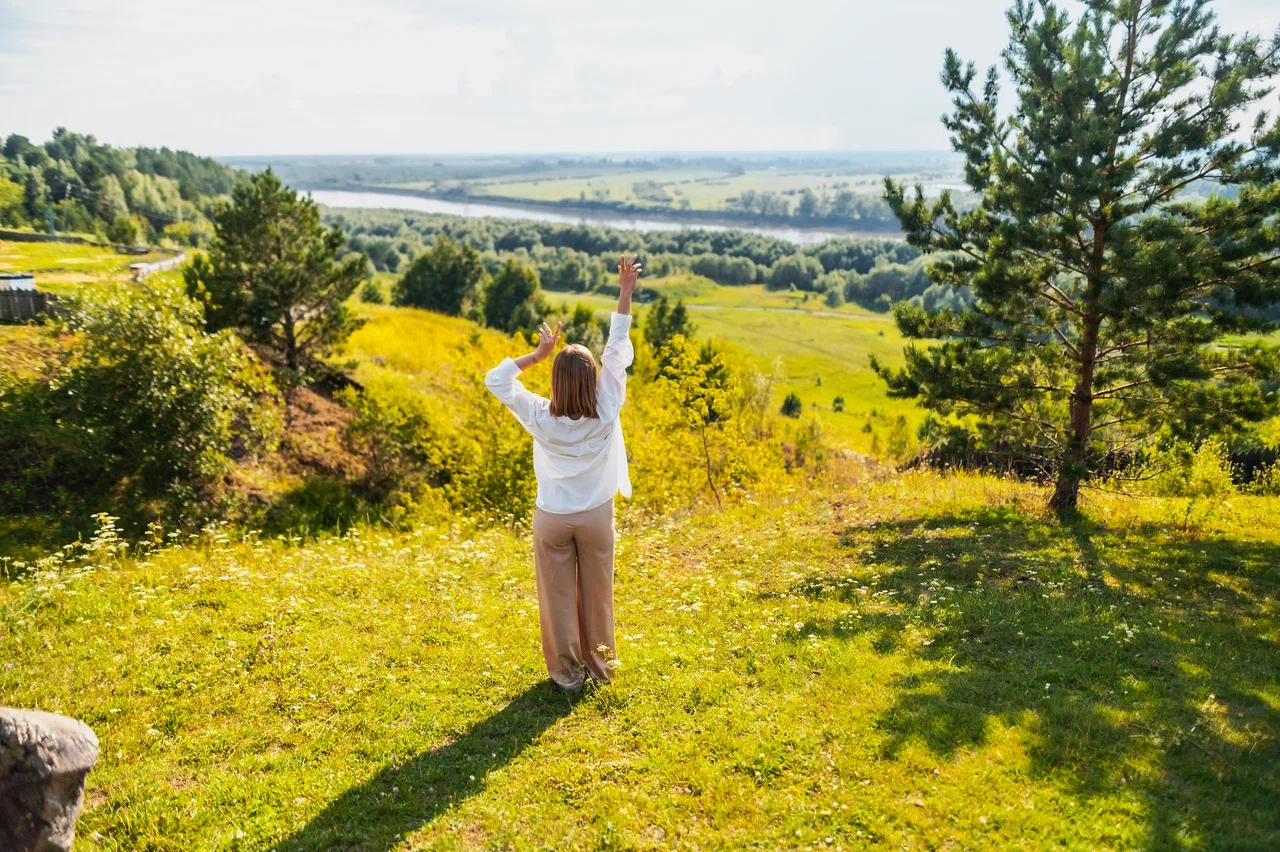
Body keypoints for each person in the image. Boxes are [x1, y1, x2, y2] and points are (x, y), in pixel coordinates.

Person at [484, 254, 641, 691]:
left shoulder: (540, 415)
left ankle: (567, 676)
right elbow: (616, 351)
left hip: (551, 516)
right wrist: (624, 293)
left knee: (556, 599)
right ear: (593, 378)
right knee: (598, 595)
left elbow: (496, 380)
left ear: (555, 380)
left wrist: (536, 355)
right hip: (595, 514)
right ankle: (602, 668)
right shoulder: (606, 407)